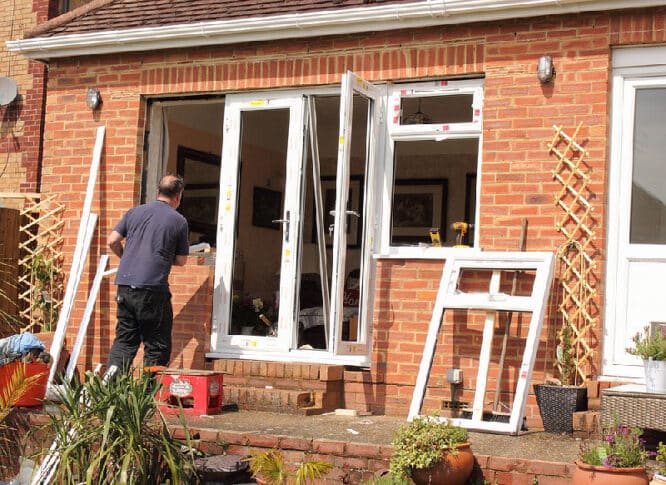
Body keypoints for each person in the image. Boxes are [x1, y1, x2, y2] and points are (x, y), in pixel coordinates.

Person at [106, 174, 189, 374]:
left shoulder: (134, 212)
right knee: (156, 346)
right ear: (178, 196)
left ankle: (109, 392)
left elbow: (112, 240)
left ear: (158, 191)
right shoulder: (178, 221)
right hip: (152, 290)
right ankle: (147, 398)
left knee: (124, 343)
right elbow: (181, 260)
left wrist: (126, 257)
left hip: (125, 287)